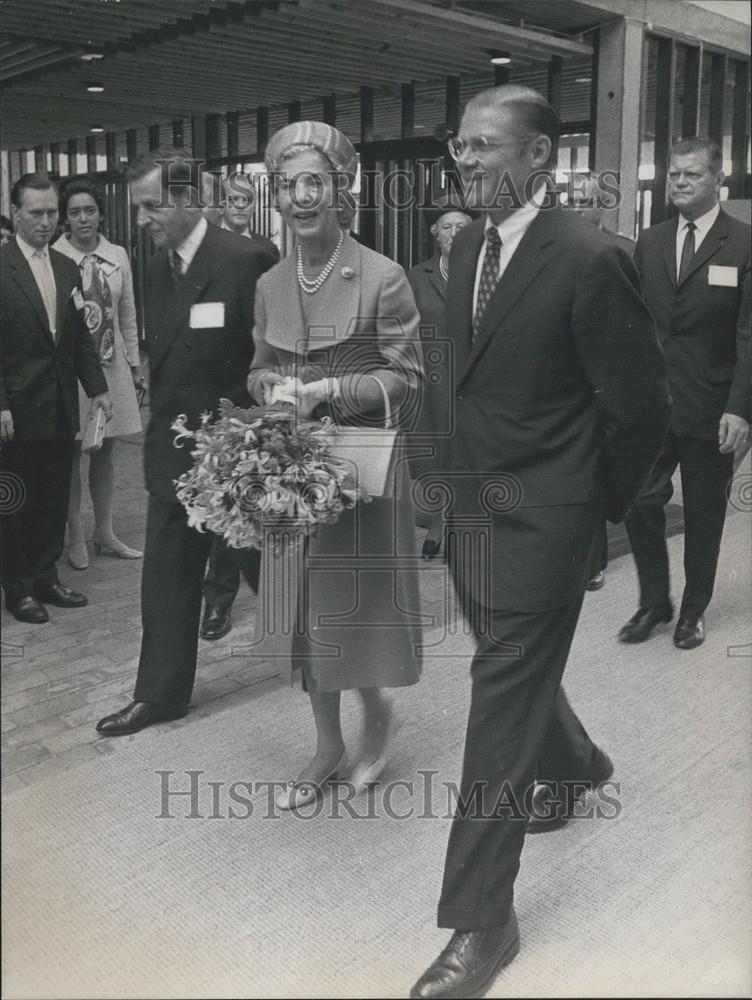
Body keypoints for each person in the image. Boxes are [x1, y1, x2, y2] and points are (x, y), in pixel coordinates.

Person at [409, 86, 669, 1000]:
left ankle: (482, 924)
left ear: (540, 159)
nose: (467, 162)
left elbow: (640, 412)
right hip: (472, 512)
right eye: (461, 146)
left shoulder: (595, 258)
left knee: (495, 711)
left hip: (542, 525)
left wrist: (586, 519)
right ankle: (583, 764)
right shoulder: (472, 243)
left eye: (485, 147)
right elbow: (463, 382)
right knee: (512, 675)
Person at [247, 120, 423, 809]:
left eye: (314, 181)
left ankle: (377, 717)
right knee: (301, 610)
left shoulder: (384, 276)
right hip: (292, 469)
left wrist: (329, 390)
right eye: (288, 185)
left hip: (361, 467)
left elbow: (405, 379)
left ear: (341, 189)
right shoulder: (268, 282)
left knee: (359, 608)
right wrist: (271, 391)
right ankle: (326, 744)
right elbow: (259, 368)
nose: (301, 197)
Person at [95, 147, 273, 737]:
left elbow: (266, 362)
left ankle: (329, 656)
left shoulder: (247, 259)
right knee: (167, 581)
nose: (141, 219)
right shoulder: (156, 265)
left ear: (187, 199)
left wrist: (255, 446)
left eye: (150, 207)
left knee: (270, 571)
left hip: (231, 460)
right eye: (138, 207)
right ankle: (160, 696)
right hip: (172, 456)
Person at [620, 137, 750, 651]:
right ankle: (655, 601)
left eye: (691, 175)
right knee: (639, 500)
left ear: (718, 180)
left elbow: (748, 334)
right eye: (672, 174)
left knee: (702, 515)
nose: (677, 182)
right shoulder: (649, 243)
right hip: (652, 407)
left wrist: (740, 408)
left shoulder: (742, 244)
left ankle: (693, 610)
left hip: (713, 407)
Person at [0, 174, 111, 624]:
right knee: (16, 499)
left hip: (60, 403)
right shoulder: (2, 266)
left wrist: (99, 389)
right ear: (17, 212)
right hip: (17, 407)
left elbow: (80, 338)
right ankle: (18, 586)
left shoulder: (67, 268)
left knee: (51, 497)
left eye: (51, 213)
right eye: (36, 213)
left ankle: (46, 576)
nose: (47, 222)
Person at [199, 172, 280, 641]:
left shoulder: (267, 252)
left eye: (246, 199)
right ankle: (218, 602)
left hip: (262, 384)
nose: (238, 206)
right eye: (231, 199)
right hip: (222, 387)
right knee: (226, 498)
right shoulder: (207, 252)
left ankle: (279, 600)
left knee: (263, 494)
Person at [52, 177, 143, 570]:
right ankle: (75, 534)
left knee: (106, 451)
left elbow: (128, 314)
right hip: (70, 370)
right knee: (71, 451)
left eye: (90, 210)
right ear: (64, 218)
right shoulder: (54, 256)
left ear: (101, 213)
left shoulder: (117, 254)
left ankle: (104, 532)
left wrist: (136, 366)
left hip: (112, 367)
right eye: (74, 212)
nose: (83, 218)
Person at [570, 173, 637, 592]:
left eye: (584, 199)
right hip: (567, 378)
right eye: (570, 199)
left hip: (613, 378)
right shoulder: (552, 250)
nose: (576, 206)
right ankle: (578, 559)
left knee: (599, 472)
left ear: (601, 204)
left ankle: (595, 558)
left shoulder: (626, 249)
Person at [406, 196, 473, 556]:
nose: (454, 233)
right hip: (431, 383)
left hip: (473, 382)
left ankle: (460, 526)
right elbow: (404, 330)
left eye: (462, 226)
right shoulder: (417, 276)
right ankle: (437, 523)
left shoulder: (486, 272)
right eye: (447, 226)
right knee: (436, 459)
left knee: (468, 456)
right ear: (435, 232)